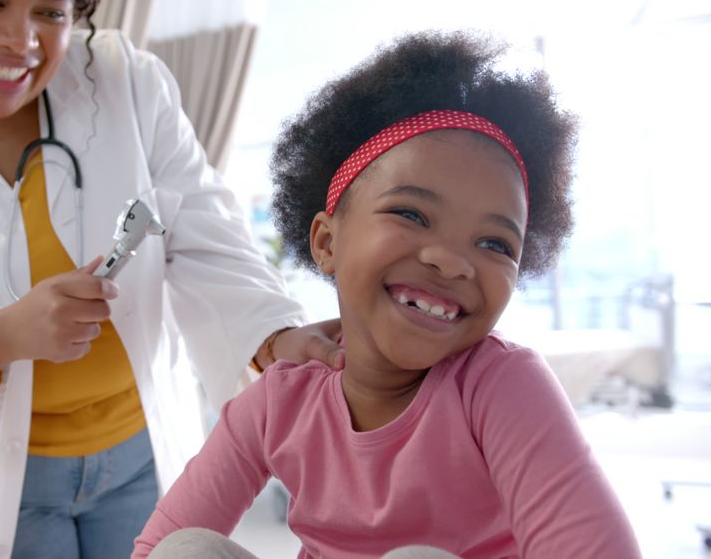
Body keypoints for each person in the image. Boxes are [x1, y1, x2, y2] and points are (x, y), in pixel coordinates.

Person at [0, 0, 343, 558]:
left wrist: (273, 338)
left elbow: (208, 240)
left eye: (49, 12)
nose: (21, 41)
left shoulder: (126, 81)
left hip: (139, 459)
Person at [132, 31, 642, 559]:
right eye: (411, 214)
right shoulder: (277, 404)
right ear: (328, 242)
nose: (451, 260)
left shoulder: (499, 386)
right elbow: (154, 548)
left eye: (494, 243)